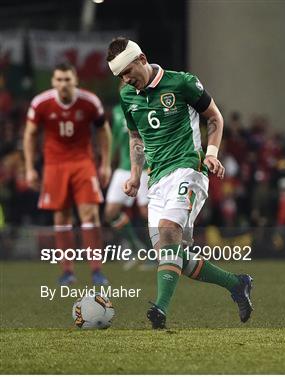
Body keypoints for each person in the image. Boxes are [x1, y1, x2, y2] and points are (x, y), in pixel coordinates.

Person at [106, 37, 253, 329]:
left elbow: (214, 118)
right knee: (173, 257)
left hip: (189, 169)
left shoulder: (182, 83)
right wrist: (136, 174)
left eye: (128, 71)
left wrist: (211, 154)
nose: (126, 79)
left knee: (168, 231)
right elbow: (136, 137)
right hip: (155, 180)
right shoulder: (127, 96)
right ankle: (237, 284)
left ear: (142, 59)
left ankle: (159, 310)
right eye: (120, 76)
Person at [24, 62, 112, 285]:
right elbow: (30, 134)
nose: (63, 84)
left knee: (89, 215)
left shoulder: (89, 102)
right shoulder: (41, 103)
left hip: (83, 162)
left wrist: (105, 164)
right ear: (53, 82)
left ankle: (96, 271)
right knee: (62, 217)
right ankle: (67, 271)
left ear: (75, 81)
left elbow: (103, 130)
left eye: (67, 80)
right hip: (54, 164)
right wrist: (29, 167)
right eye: (59, 80)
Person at [105, 91, 152, 270]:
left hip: (146, 167)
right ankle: (136, 247)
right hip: (124, 167)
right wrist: (107, 165)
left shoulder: (149, 104)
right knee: (110, 212)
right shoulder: (117, 111)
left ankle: (155, 254)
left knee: (146, 213)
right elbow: (115, 139)